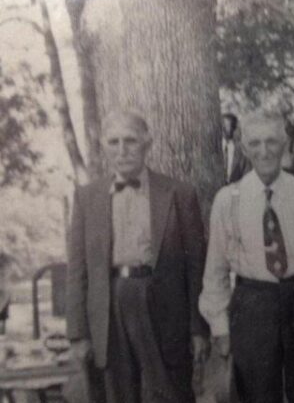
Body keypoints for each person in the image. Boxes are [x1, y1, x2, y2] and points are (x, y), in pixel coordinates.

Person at [66, 110, 209, 403]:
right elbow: (77, 270)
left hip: (163, 304)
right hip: (110, 304)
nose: (122, 150)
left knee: (170, 392)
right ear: (103, 146)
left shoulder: (178, 194)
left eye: (130, 141)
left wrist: (198, 327)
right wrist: (78, 334)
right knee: (117, 393)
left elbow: (196, 267)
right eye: (113, 142)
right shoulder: (86, 197)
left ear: (148, 144)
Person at [199, 113, 294, 403]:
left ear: (285, 144)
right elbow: (216, 270)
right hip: (252, 304)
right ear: (244, 149)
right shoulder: (228, 199)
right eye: (255, 143)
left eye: (272, 141)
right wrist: (220, 327)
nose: (264, 150)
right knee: (256, 393)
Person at [222, 113, 251, 184]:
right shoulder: (214, 147)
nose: (223, 128)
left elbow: (247, 176)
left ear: (234, 127)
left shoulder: (242, 150)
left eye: (227, 126)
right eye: (222, 125)